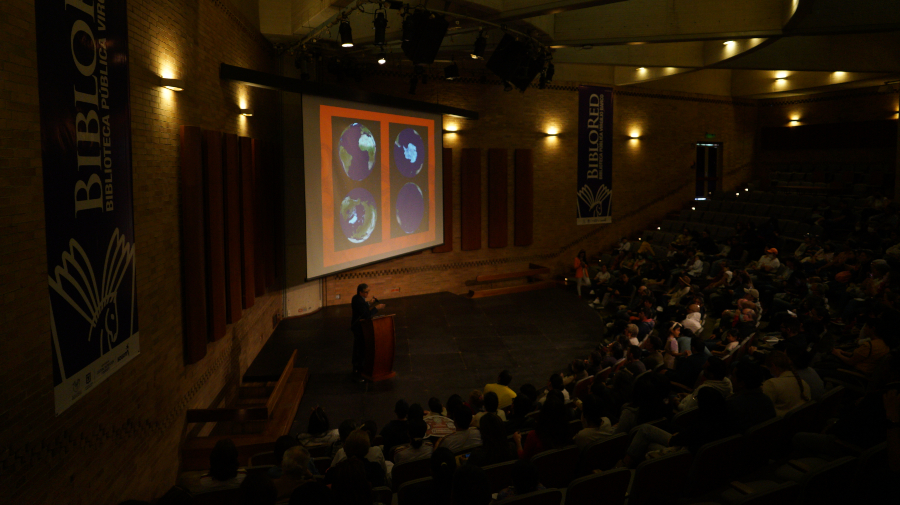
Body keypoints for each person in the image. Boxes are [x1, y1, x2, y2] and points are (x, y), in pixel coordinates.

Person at [727, 361, 776, 432]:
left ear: (741, 383)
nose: (730, 379)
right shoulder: (767, 400)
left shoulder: (732, 406)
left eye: (733, 376)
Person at [350, 283, 385, 382]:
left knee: (358, 347)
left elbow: (363, 306)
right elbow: (366, 315)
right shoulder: (358, 301)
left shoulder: (357, 298)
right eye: (366, 292)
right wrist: (376, 308)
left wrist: (370, 302)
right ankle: (358, 370)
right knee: (360, 349)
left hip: (359, 327)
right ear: (361, 292)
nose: (368, 294)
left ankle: (358, 368)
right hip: (359, 328)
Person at [762, 351, 811, 416]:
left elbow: (762, 410)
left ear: (773, 366)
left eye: (769, 369)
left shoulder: (772, 384)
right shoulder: (804, 383)